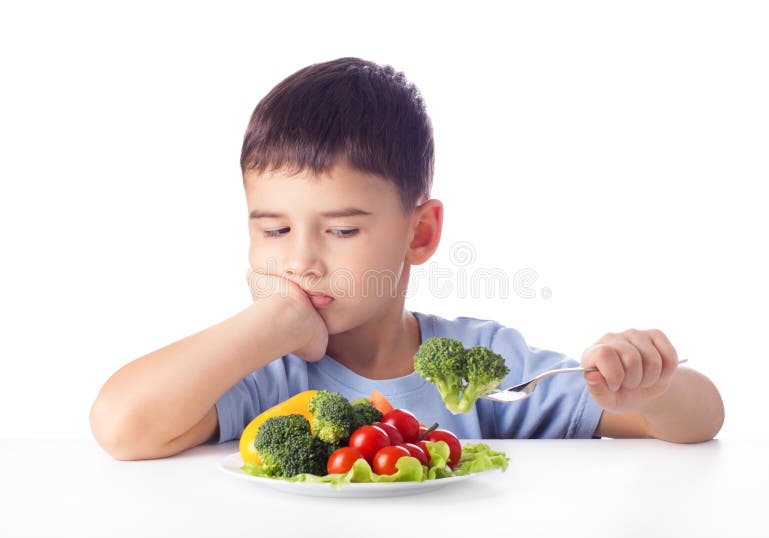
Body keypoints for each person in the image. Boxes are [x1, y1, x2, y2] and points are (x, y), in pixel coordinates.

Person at [90, 57, 724, 460]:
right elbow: (122, 427)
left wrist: (657, 385)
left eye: (340, 230)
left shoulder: (488, 371)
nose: (301, 260)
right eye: (275, 229)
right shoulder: (264, 373)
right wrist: (270, 323)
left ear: (420, 234)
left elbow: (698, 421)